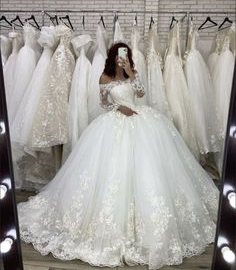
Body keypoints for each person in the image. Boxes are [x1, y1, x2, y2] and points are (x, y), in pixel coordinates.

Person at [18, 42, 219, 270]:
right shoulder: (104, 78)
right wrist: (117, 108)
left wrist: (131, 73)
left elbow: (141, 92)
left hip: (141, 119)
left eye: (125, 55)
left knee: (149, 170)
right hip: (115, 122)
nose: (121, 58)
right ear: (113, 57)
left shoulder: (133, 73)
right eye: (118, 55)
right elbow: (104, 103)